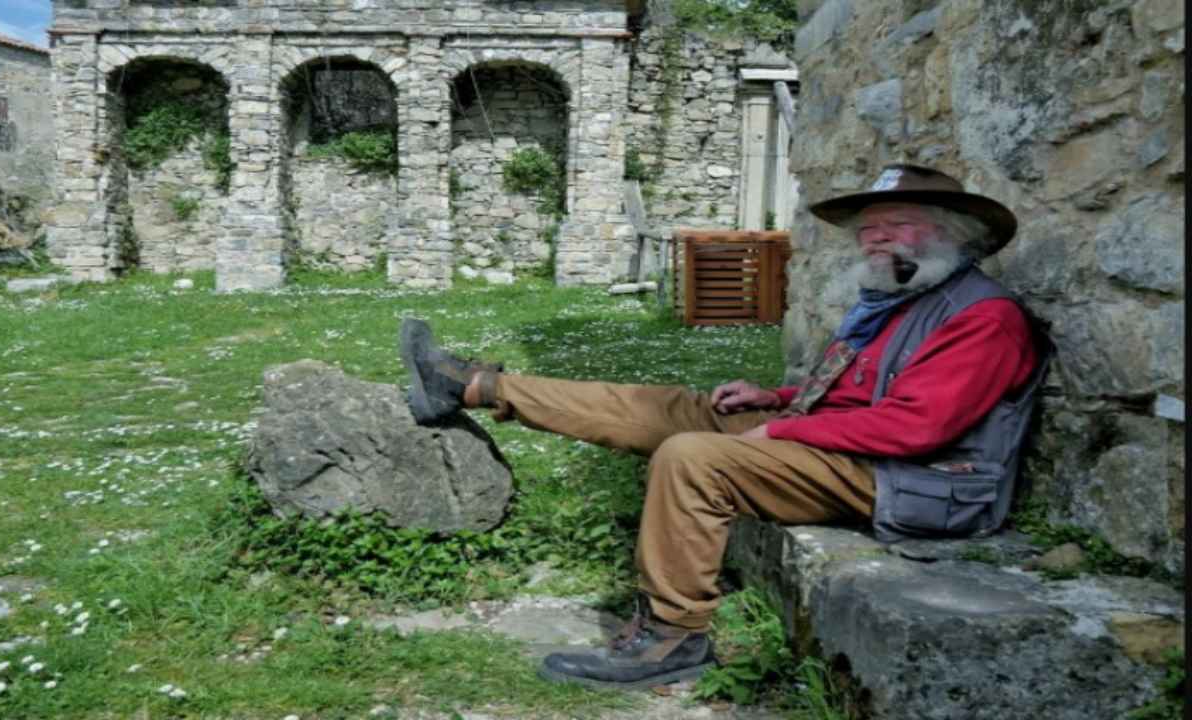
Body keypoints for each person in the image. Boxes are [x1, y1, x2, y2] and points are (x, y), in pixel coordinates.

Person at [398, 164, 1046, 691]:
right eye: (870, 229)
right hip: (862, 451)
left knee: (694, 456)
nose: (875, 239)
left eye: (897, 226)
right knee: (680, 409)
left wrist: (783, 432)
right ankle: (475, 386)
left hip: (918, 482)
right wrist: (777, 398)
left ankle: (675, 637)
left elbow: (917, 428)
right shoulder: (906, 302)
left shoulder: (983, 318)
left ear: (951, 232)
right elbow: (862, 393)